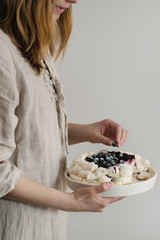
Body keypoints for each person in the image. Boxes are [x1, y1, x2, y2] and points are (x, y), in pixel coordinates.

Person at [0, 0, 128, 239]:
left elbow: (27, 132)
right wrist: (71, 201)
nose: (75, 0)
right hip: (16, 227)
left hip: (48, 223)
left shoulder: (35, 48)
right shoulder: (2, 52)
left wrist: (86, 132)